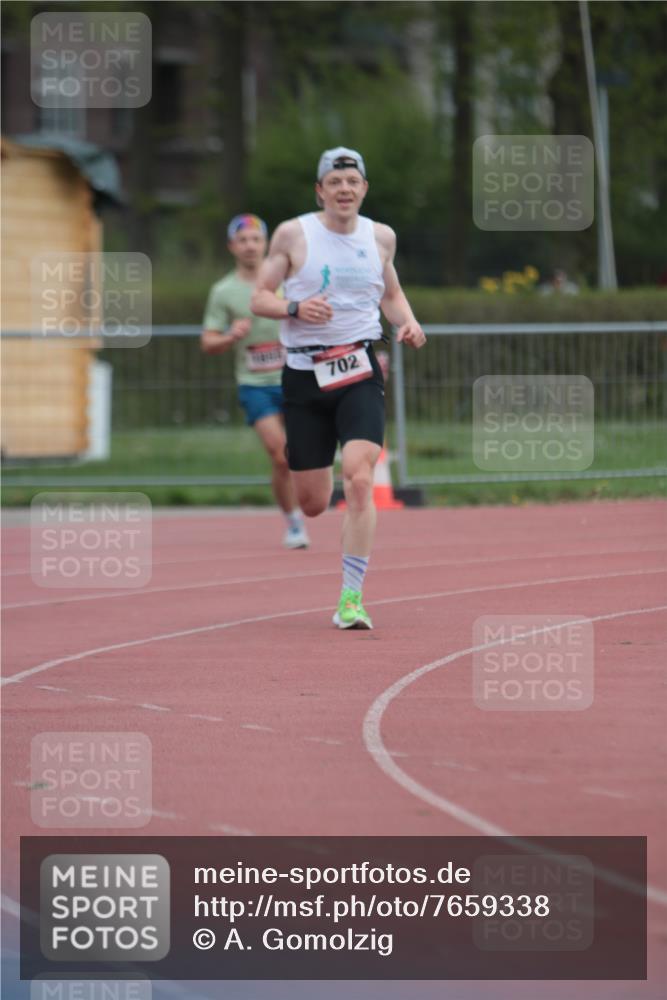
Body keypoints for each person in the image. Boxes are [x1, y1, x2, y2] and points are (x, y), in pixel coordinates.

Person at [251, 147, 425, 629]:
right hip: (305, 374)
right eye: (335, 182)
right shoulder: (294, 233)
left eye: (353, 181)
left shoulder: (381, 237)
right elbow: (260, 297)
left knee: (362, 479)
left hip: (359, 369)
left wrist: (408, 323)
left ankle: (352, 598)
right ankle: (315, 464)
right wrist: (294, 309)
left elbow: (390, 294)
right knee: (313, 502)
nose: (344, 189)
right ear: (320, 190)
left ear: (364, 189)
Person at [201, 214, 309, 549]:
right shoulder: (224, 291)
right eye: (243, 240)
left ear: (266, 244)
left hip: (296, 376)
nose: (250, 246)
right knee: (280, 455)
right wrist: (231, 335)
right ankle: (293, 522)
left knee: (304, 454)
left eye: (256, 239)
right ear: (232, 247)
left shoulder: (289, 280)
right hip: (255, 384)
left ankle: (309, 493)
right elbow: (208, 342)